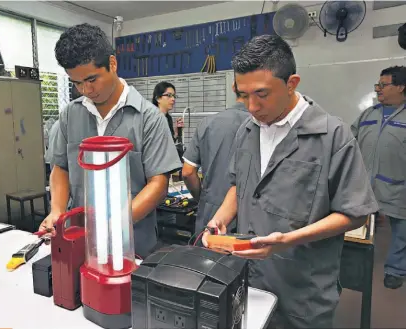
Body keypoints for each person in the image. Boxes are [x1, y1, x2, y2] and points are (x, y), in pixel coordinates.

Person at [202, 35, 379, 328]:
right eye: (243, 95)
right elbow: (239, 186)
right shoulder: (248, 131)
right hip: (248, 281)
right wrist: (218, 220)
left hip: (301, 292)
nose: (251, 106)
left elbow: (355, 213)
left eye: (261, 94)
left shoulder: (333, 136)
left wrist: (286, 241)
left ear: (292, 83)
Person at [40, 23, 182, 258]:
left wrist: (115, 223)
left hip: (133, 244)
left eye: (92, 79)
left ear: (112, 64)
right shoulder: (69, 115)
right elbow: (60, 167)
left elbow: (158, 184)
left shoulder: (149, 118)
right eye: (76, 83)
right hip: (80, 240)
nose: (86, 90)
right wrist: (56, 211)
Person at [351, 65, 406, 289]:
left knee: (402, 230)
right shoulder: (368, 114)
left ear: (401, 87)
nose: (378, 90)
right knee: (358, 227)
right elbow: (350, 139)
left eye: (384, 85)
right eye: (378, 85)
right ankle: (355, 267)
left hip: (398, 186)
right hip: (366, 185)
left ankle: (395, 270)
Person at [182, 82, 249, 232]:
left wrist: (202, 198)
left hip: (210, 214)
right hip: (248, 218)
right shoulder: (263, 125)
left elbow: (187, 172)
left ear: (233, 87)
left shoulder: (208, 123)